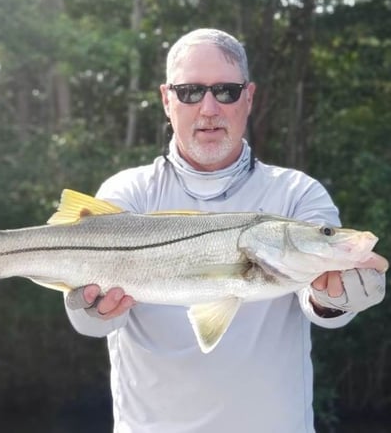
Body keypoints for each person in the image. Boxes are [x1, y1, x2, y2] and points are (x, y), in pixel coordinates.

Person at [65, 28, 387, 433]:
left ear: (248, 97)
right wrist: (90, 308)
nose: (209, 108)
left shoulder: (297, 193)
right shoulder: (126, 193)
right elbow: (95, 324)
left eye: (226, 91)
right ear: (167, 99)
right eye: (190, 92)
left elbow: (323, 310)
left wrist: (337, 298)